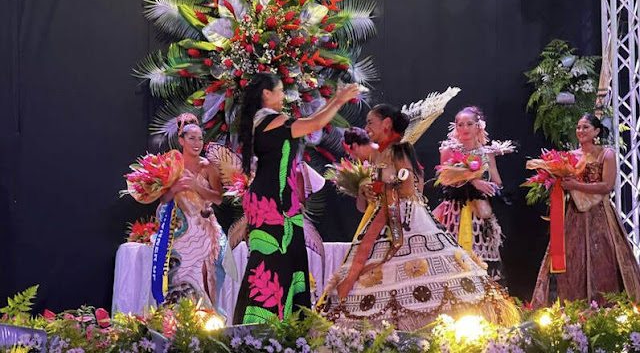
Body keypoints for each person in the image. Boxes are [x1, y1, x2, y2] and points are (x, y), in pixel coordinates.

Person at [316, 104, 518, 331]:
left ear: (386, 124)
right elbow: (374, 193)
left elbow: (411, 187)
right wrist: (366, 189)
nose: (367, 128)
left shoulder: (399, 150)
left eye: (370, 122)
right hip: (381, 218)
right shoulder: (377, 154)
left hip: (406, 218)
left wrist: (386, 187)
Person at [233, 73, 359, 324]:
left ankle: (284, 329)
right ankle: (260, 330)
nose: (283, 96)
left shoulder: (262, 121)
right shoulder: (271, 119)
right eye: (279, 90)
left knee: (284, 261)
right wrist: (338, 100)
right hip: (273, 204)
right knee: (271, 264)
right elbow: (312, 124)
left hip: (276, 201)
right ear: (266, 95)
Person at [531, 114, 640, 307]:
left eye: (586, 127)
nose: (581, 131)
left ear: (596, 131)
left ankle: (606, 308)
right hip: (575, 214)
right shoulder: (571, 156)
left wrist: (575, 185)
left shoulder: (606, 154)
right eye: (579, 127)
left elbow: (606, 186)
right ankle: (574, 308)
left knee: (603, 261)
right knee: (573, 261)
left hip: (600, 214)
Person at [157, 114, 228, 314]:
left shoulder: (208, 167)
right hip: (179, 228)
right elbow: (162, 199)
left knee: (208, 270)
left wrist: (198, 187)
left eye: (200, 139)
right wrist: (174, 188)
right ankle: (178, 317)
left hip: (204, 226)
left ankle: (207, 315)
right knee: (178, 274)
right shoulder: (171, 166)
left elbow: (218, 198)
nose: (197, 143)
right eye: (191, 138)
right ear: (181, 140)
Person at [434, 106, 507, 285]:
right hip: (455, 212)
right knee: (454, 257)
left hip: (481, 213)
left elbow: (497, 181)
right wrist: (472, 181)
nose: (465, 128)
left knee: (482, 258)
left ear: (478, 126)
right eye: (460, 124)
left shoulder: (487, 153)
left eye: (469, 124)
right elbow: (445, 179)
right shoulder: (449, 150)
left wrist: (490, 186)